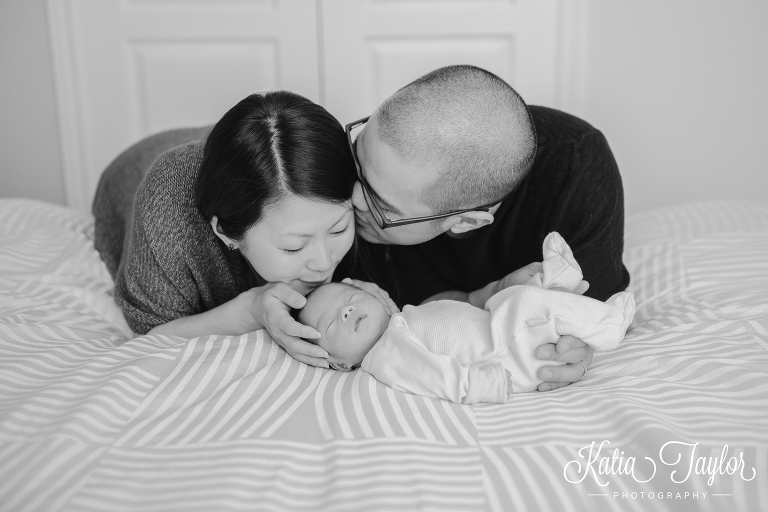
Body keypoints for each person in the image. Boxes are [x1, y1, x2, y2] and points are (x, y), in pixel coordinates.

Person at [346, 64, 631, 391]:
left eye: (380, 204)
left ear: (466, 221)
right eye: (357, 155)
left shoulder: (576, 174)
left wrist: (578, 346)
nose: (352, 198)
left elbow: (588, 318)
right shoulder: (364, 166)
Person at [93, 91, 396, 368]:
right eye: (293, 247)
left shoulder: (352, 184)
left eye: (338, 229)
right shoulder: (167, 211)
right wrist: (251, 310)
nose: (324, 263)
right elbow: (151, 334)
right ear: (225, 233)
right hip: (133, 172)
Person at [298, 233, 635, 403]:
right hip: (501, 357)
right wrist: (479, 386)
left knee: (517, 299)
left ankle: (553, 285)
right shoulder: (386, 355)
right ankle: (608, 324)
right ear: (339, 364)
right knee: (526, 305)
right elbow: (433, 374)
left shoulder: (401, 319)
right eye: (332, 323)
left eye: (352, 299)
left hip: (494, 328)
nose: (346, 311)